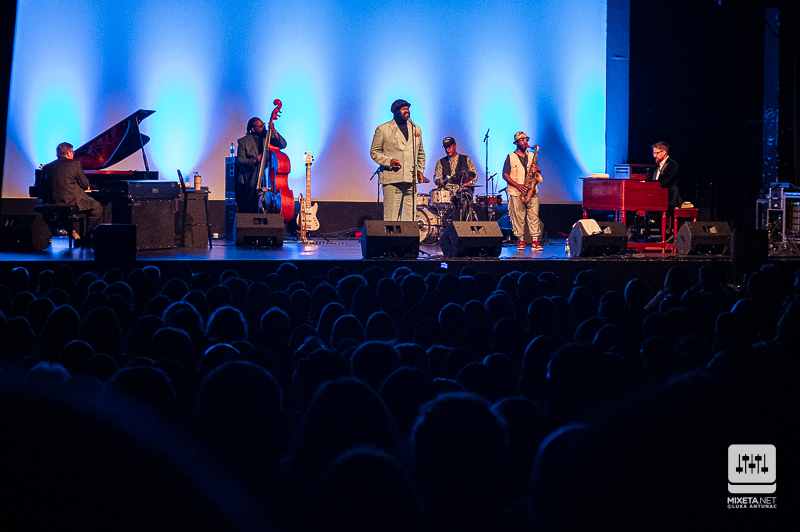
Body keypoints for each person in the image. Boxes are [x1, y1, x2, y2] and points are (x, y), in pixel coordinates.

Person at [370, 99, 426, 221]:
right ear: (395, 111)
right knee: (391, 218)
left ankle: (407, 240)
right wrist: (389, 161)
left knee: (409, 218)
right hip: (392, 178)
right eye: (404, 109)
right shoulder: (383, 129)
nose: (407, 111)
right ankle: (390, 240)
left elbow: (420, 152)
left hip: (410, 178)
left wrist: (420, 170)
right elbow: (374, 152)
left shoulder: (416, 129)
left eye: (408, 108)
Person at [41, 142, 103, 242]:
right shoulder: (75, 164)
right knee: (97, 207)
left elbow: (43, 187)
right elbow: (84, 184)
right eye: (73, 152)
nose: (73, 154)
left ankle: (72, 231)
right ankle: (87, 239)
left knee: (63, 211)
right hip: (71, 201)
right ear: (69, 153)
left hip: (53, 201)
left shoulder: (47, 167)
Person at [236, 117, 287, 214]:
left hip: (267, 178)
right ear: (253, 129)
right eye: (260, 126)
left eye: (263, 125)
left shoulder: (268, 136)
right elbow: (240, 160)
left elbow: (283, 144)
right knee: (252, 207)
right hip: (251, 178)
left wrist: (274, 131)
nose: (263, 127)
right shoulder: (243, 141)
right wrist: (255, 160)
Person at [502, 131, 543, 251]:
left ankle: (535, 241)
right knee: (518, 217)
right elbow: (505, 174)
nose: (525, 142)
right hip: (516, 192)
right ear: (516, 142)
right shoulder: (511, 156)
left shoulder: (531, 155)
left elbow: (536, 172)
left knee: (534, 216)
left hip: (532, 190)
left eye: (526, 139)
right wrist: (517, 185)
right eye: (522, 140)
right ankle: (521, 241)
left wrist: (537, 171)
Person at [433, 137, 478, 222]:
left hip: (463, 192)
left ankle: (464, 225)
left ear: (455, 146)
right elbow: (436, 177)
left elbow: (474, 176)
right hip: (447, 194)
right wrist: (439, 181)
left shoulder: (466, 159)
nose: (447, 149)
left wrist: (467, 183)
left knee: (465, 200)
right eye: (446, 147)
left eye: (449, 147)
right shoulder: (441, 162)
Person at [650, 141, 681, 209]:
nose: (654, 156)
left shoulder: (672, 164)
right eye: (653, 153)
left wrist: (652, 186)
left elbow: (665, 181)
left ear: (664, 152)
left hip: (669, 199)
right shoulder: (657, 165)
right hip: (657, 198)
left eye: (656, 153)